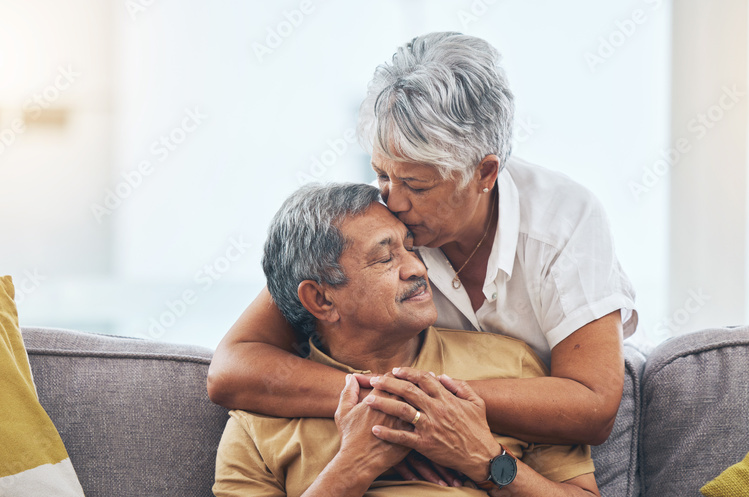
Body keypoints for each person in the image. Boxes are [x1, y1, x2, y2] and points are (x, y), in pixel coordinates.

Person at [208, 32, 637, 457]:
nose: (391, 201)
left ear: (485, 173)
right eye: (381, 174)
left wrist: (430, 403)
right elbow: (231, 369)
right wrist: (386, 398)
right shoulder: (377, 221)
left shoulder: (565, 220)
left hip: (535, 451)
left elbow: (594, 408)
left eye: (415, 184)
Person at [209, 182, 616, 497]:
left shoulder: (511, 366)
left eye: (410, 248)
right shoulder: (261, 411)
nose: (418, 268)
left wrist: (485, 460)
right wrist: (353, 468)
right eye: (385, 257)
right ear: (321, 299)